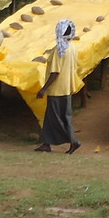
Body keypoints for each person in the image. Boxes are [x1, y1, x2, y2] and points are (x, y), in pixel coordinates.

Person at [36, 19, 82, 154]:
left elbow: (55, 72)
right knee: (55, 117)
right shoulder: (72, 47)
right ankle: (46, 143)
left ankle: (73, 141)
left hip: (57, 89)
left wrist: (44, 88)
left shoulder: (59, 50)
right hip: (67, 87)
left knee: (56, 118)